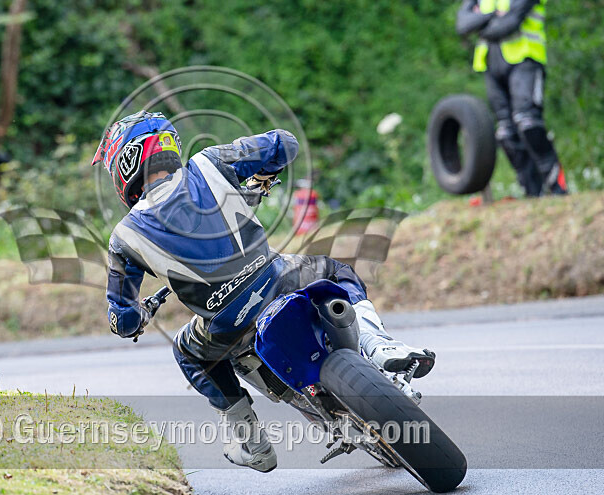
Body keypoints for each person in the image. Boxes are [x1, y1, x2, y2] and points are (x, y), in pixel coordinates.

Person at [92, 110, 436, 472]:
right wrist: (260, 178)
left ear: (127, 162)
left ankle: (250, 441)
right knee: (336, 271)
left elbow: (122, 319)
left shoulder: (124, 237)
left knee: (187, 351)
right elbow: (284, 143)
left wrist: (141, 314)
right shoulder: (209, 164)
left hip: (227, 326)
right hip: (278, 279)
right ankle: (378, 345)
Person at [456, 0, 567, 197]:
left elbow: (508, 24)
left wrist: (480, 23)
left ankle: (557, 188)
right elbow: (462, 25)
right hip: (491, 65)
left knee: (528, 123)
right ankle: (533, 193)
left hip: (525, 60)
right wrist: (492, 16)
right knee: (506, 133)